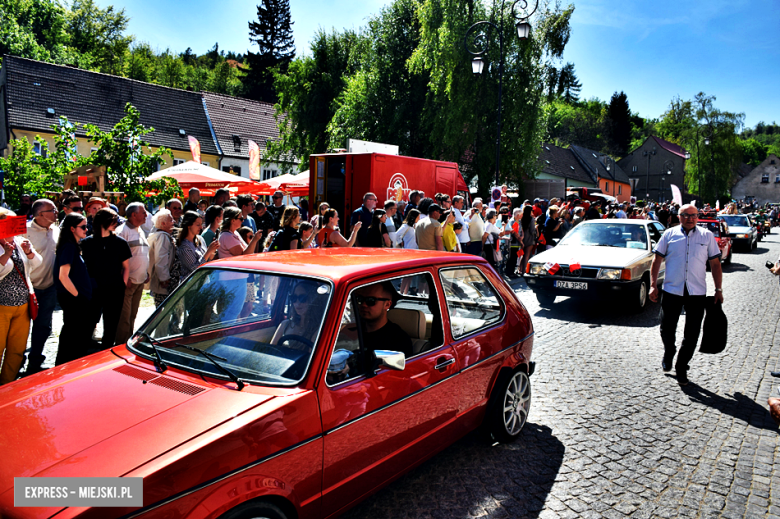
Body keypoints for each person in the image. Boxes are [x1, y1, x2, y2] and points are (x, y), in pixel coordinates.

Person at [649, 204, 723, 386]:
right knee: (666, 328)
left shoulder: (707, 237)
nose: (690, 218)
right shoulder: (669, 234)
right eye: (685, 215)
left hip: (696, 292)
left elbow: (715, 264)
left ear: (698, 217)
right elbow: (657, 259)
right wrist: (652, 285)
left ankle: (682, 366)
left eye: (693, 215)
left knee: (692, 333)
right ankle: (669, 351)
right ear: (679, 216)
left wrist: (718, 289)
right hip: (672, 290)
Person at [0, 209, 41, 383]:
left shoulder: (18, 241)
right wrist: (6, 255)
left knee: (17, 349)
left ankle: (6, 384)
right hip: (2, 306)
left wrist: (29, 251)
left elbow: (37, 263)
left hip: (23, 305)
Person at [80, 208, 131, 349]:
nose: (115, 224)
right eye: (112, 221)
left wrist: (122, 284)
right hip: (93, 289)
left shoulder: (120, 243)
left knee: (111, 324)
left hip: (114, 288)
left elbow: (126, 267)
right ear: (103, 222)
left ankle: (107, 350)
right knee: (89, 322)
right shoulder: (86, 243)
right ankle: (84, 352)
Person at [23, 199, 60, 375]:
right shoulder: (24, 231)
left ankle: (35, 361)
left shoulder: (56, 230)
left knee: (44, 327)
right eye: (51, 210)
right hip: (28, 287)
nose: (56, 212)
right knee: (22, 328)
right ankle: (16, 362)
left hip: (49, 287)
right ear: (40, 214)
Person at [54, 213, 92, 365]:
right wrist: (78, 296)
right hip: (73, 298)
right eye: (83, 227)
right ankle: (65, 365)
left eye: (86, 226)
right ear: (72, 228)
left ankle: (69, 364)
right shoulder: (69, 247)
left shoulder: (73, 246)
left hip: (76, 297)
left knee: (74, 334)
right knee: (72, 334)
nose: (86, 229)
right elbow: (63, 276)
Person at [114, 202, 150, 347]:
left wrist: (145, 271)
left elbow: (141, 254)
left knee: (132, 316)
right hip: (128, 282)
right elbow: (117, 258)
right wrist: (124, 277)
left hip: (139, 281)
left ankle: (127, 344)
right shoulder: (122, 231)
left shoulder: (140, 230)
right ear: (133, 214)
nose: (146, 215)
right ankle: (121, 345)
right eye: (143, 212)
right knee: (124, 319)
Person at [353, 282, 413, 358]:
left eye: (371, 300)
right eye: (360, 299)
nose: (363, 305)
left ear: (387, 305)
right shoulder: (351, 330)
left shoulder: (398, 340)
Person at [271, 281, 327, 352]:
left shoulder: (317, 331)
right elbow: (270, 351)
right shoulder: (285, 324)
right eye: (293, 298)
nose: (297, 303)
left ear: (313, 300)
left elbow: (309, 360)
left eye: (302, 298)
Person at [147, 209, 177, 307]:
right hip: (163, 282)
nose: (174, 222)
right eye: (171, 220)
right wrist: (164, 278)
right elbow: (161, 259)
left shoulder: (160, 236)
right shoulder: (162, 237)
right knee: (163, 309)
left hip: (164, 279)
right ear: (163, 223)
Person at [178, 211, 219, 280]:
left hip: (204, 282)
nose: (201, 227)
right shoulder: (184, 246)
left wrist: (212, 250)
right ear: (189, 225)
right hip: (191, 286)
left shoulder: (200, 239)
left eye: (201, 224)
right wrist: (208, 252)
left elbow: (207, 260)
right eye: (198, 225)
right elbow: (196, 269)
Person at [518, 206, 536, 276]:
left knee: (522, 254)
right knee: (526, 255)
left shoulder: (521, 218)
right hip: (529, 239)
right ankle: (523, 271)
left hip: (522, 239)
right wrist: (536, 228)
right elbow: (532, 231)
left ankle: (520, 269)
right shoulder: (531, 219)